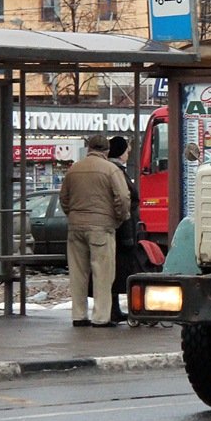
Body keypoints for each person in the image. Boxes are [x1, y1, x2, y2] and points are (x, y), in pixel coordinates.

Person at [59, 134, 129, 328]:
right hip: (101, 227)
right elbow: (123, 198)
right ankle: (100, 317)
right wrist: (120, 217)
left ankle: (79, 315)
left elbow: (63, 198)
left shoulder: (73, 169)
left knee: (78, 273)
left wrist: (73, 215)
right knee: (103, 273)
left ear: (89, 148)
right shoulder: (111, 170)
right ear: (106, 151)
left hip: (76, 227)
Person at [106, 135, 141, 323]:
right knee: (119, 269)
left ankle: (115, 308)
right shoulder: (116, 172)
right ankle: (113, 310)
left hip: (120, 228)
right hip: (122, 229)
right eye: (127, 149)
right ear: (120, 151)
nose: (129, 152)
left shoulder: (117, 170)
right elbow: (124, 202)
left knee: (117, 269)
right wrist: (128, 233)